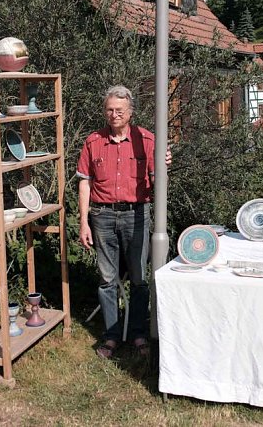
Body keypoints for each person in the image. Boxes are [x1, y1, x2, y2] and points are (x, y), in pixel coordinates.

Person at [77, 85, 170, 360]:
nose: (114, 114)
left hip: (136, 214)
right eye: (109, 109)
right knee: (107, 279)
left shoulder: (147, 140)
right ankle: (112, 335)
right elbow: (85, 183)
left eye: (119, 110)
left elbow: (158, 182)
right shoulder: (93, 141)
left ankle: (139, 333)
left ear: (130, 112)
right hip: (102, 216)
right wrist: (83, 222)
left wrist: (163, 165)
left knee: (139, 278)